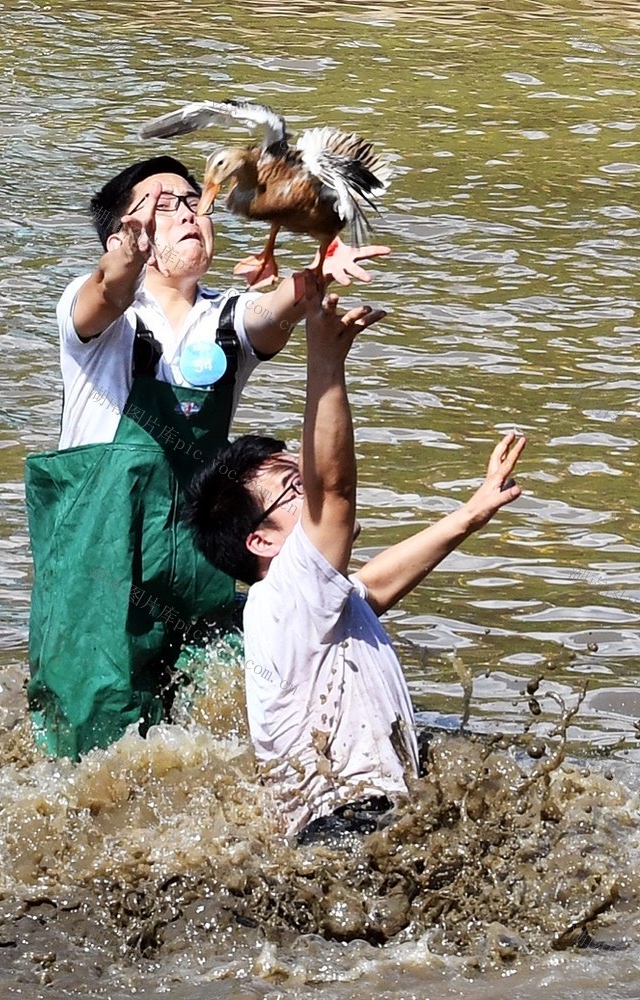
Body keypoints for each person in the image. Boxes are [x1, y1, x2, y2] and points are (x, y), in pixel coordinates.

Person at [25, 154, 389, 760]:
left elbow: (273, 310)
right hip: (99, 566)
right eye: (163, 203)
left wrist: (320, 268)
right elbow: (107, 288)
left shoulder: (226, 317)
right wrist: (126, 255)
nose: (189, 210)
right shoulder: (98, 319)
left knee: (207, 734)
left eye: (194, 200)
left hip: (199, 569)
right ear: (122, 230)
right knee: (83, 745)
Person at [184, 275, 526, 839]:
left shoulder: (307, 605)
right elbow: (336, 491)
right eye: (298, 488)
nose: (313, 493)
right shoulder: (285, 591)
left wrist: (471, 513)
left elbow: (375, 586)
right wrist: (324, 359)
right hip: (349, 829)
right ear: (262, 541)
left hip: (351, 830)